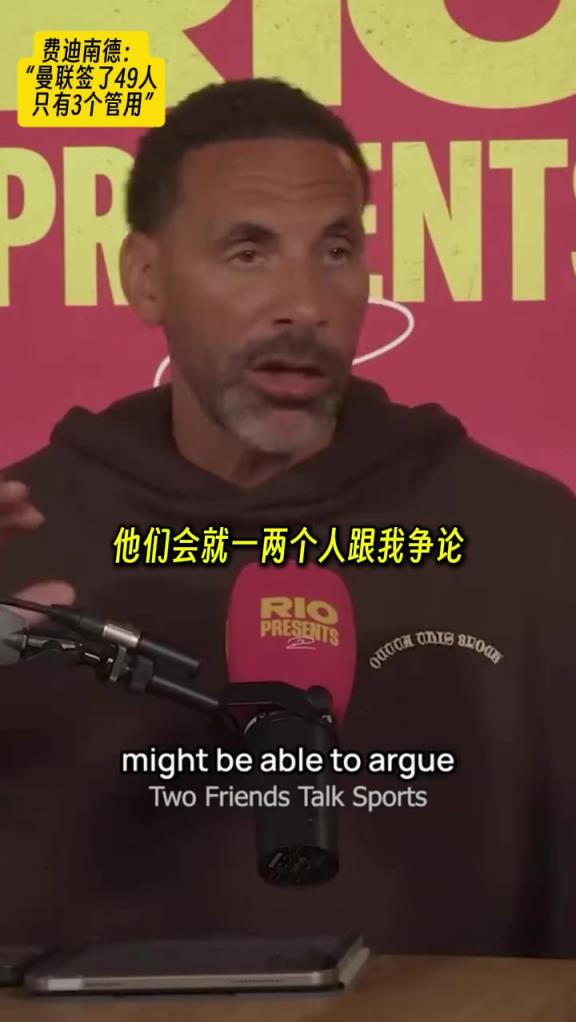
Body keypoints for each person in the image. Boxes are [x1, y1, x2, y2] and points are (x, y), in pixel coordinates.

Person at [0, 77, 575, 957]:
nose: (305, 304)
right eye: (248, 252)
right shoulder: (22, 536)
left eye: (336, 249)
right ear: (146, 278)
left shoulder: (530, 541)